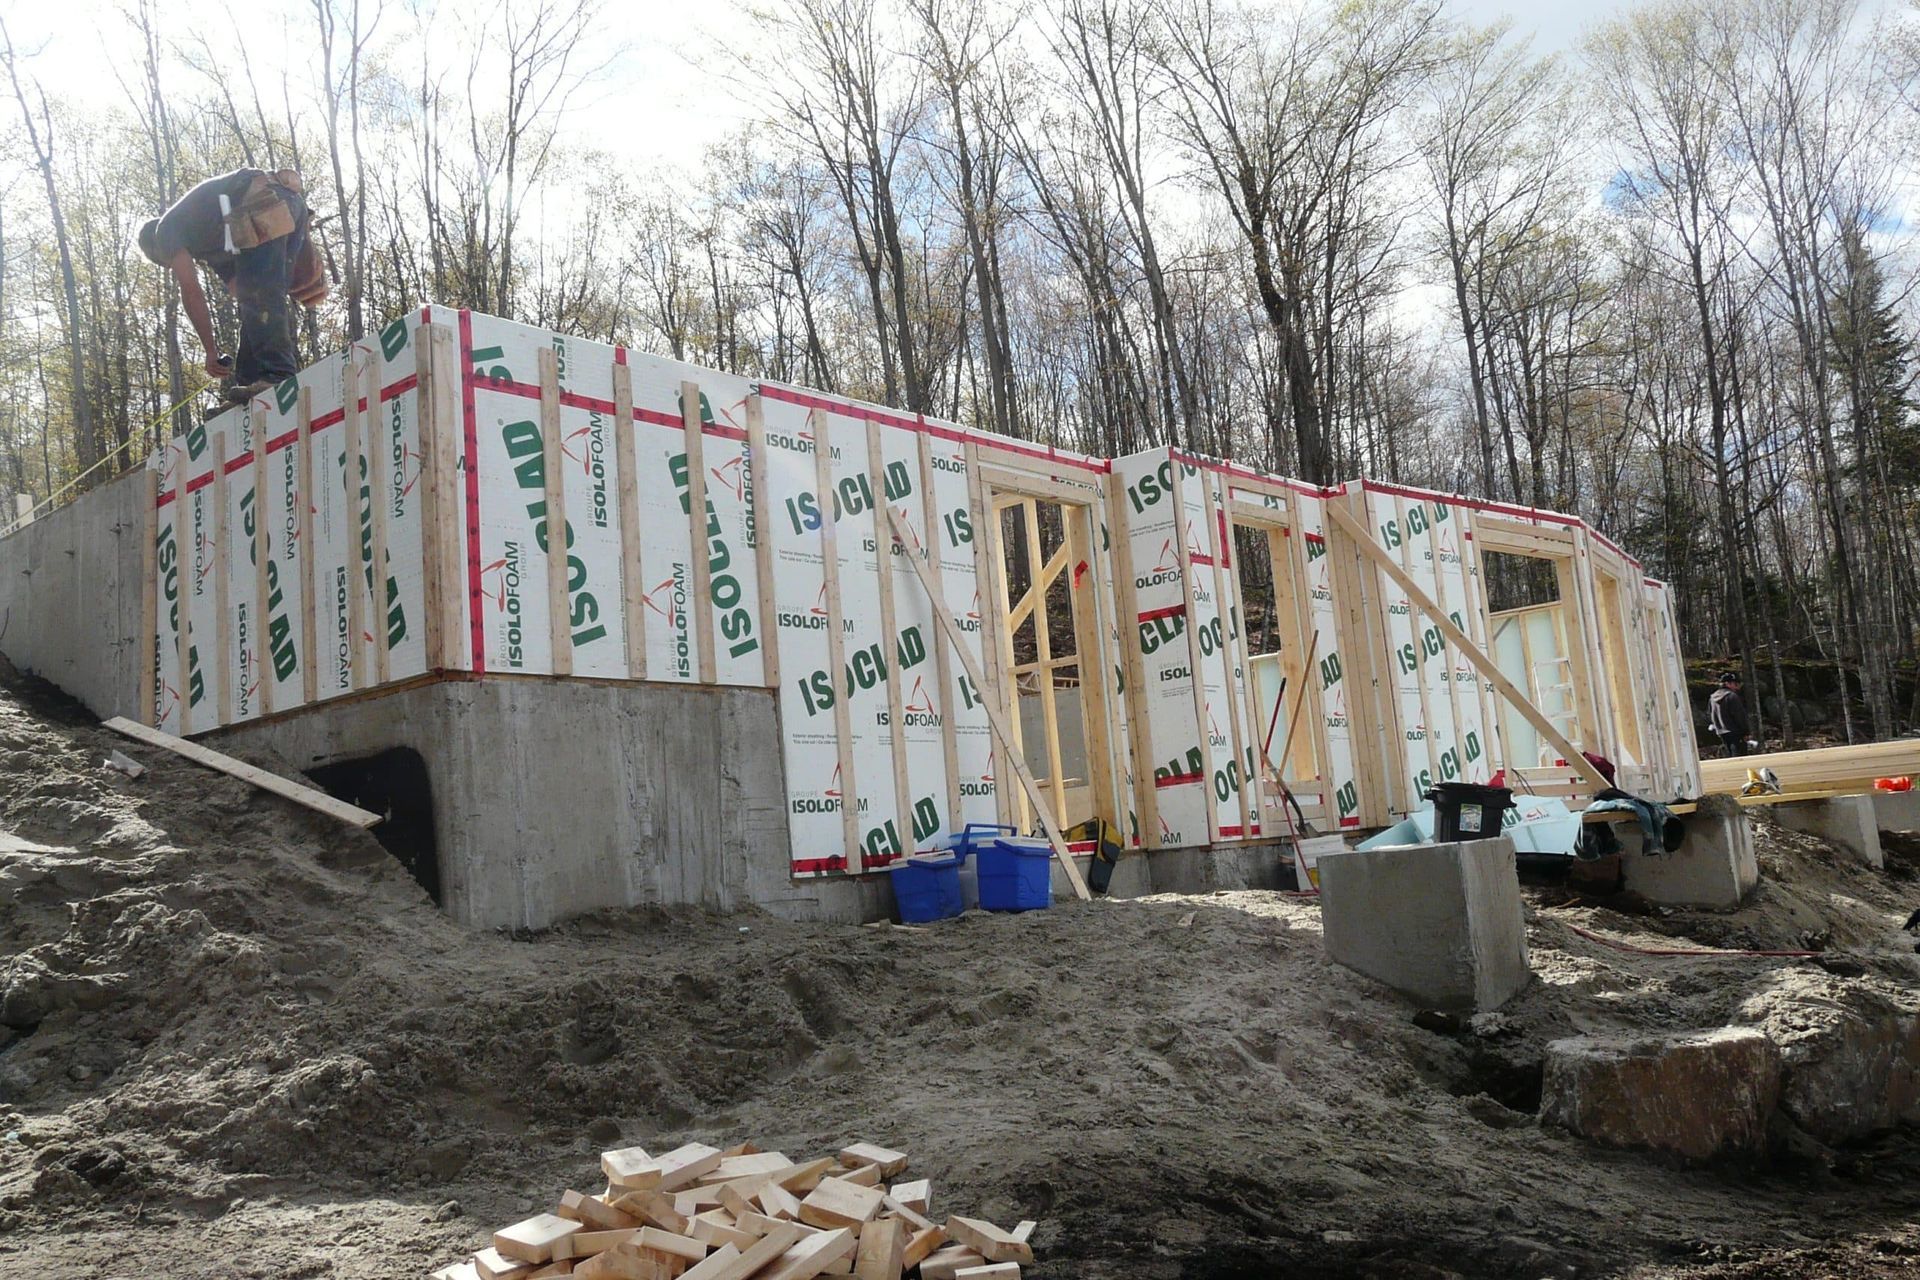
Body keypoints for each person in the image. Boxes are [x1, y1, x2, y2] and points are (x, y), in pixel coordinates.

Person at [137, 168, 327, 403]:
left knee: (259, 295)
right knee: (256, 297)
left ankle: (278, 373)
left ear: (158, 250)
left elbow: (192, 292)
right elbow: (242, 290)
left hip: (261, 201)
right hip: (289, 204)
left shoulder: (165, 230)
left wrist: (209, 351)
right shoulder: (206, 237)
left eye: (166, 262)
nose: (171, 265)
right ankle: (249, 382)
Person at [1708, 670, 1750, 757]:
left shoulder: (1712, 698)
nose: (1737, 687)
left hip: (1721, 731)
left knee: (1729, 753)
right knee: (1739, 754)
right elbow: (1739, 715)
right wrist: (1745, 732)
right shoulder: (1732, 696)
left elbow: (1710, 713)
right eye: (1735, 684)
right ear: (1727, 684)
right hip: (1735, 731)